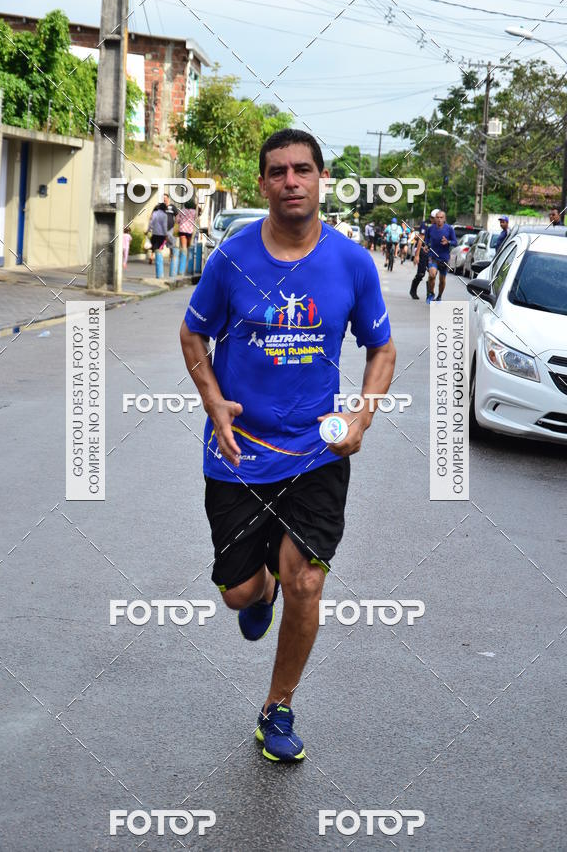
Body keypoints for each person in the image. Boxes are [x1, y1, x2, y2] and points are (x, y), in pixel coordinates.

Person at [179, 128, 396, 763]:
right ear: (264, 184)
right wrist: (212, 401)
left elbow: (381, 349)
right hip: (238, 450)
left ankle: (278, 708)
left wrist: (362, 415)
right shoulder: (232, 258)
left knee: (306, 582)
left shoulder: (352, 262)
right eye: (278, 172)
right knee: (240, 594)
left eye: (303, 169)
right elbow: (193, 336)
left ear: (321, 179)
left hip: (316, 452)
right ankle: (260, 589)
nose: (291, 181)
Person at [425, 209, 457, 303]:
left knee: (442, 280)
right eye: (437, 218)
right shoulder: (430, 228)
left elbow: (455, 242)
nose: (439, 219)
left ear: (444, 219)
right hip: (433, 256)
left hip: (444, 258)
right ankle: (431, 293)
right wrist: (426, 246)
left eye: (441, 218)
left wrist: (448, 242)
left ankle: (439, 296)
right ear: (435, 219)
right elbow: (426, 241)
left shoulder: (449, 229)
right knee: (432, 275)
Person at [410, 208, 438, 300]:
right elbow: (421, 240)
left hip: (433, 253)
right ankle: (413, 290)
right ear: (432, 218)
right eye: (435, 218)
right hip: (423, 251)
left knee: (432, 274)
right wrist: (417, 255)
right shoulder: (425, 224)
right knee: (421, 274)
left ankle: (430, 294)